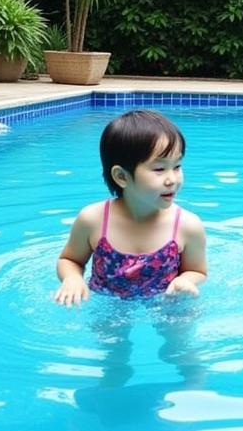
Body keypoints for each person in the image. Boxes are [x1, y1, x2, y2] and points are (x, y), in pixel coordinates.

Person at [54, 109, 208, 305]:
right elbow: (70, 260)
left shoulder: (187, 226)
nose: (173, 179)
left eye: (177, 166)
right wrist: (72, 278)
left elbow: (198, 270)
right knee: (110, 336)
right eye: (160, 169)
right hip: (107, 305)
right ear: (122, 177)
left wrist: (185, 281)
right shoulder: (93, 220)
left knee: (178, 332)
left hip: (166, 303)